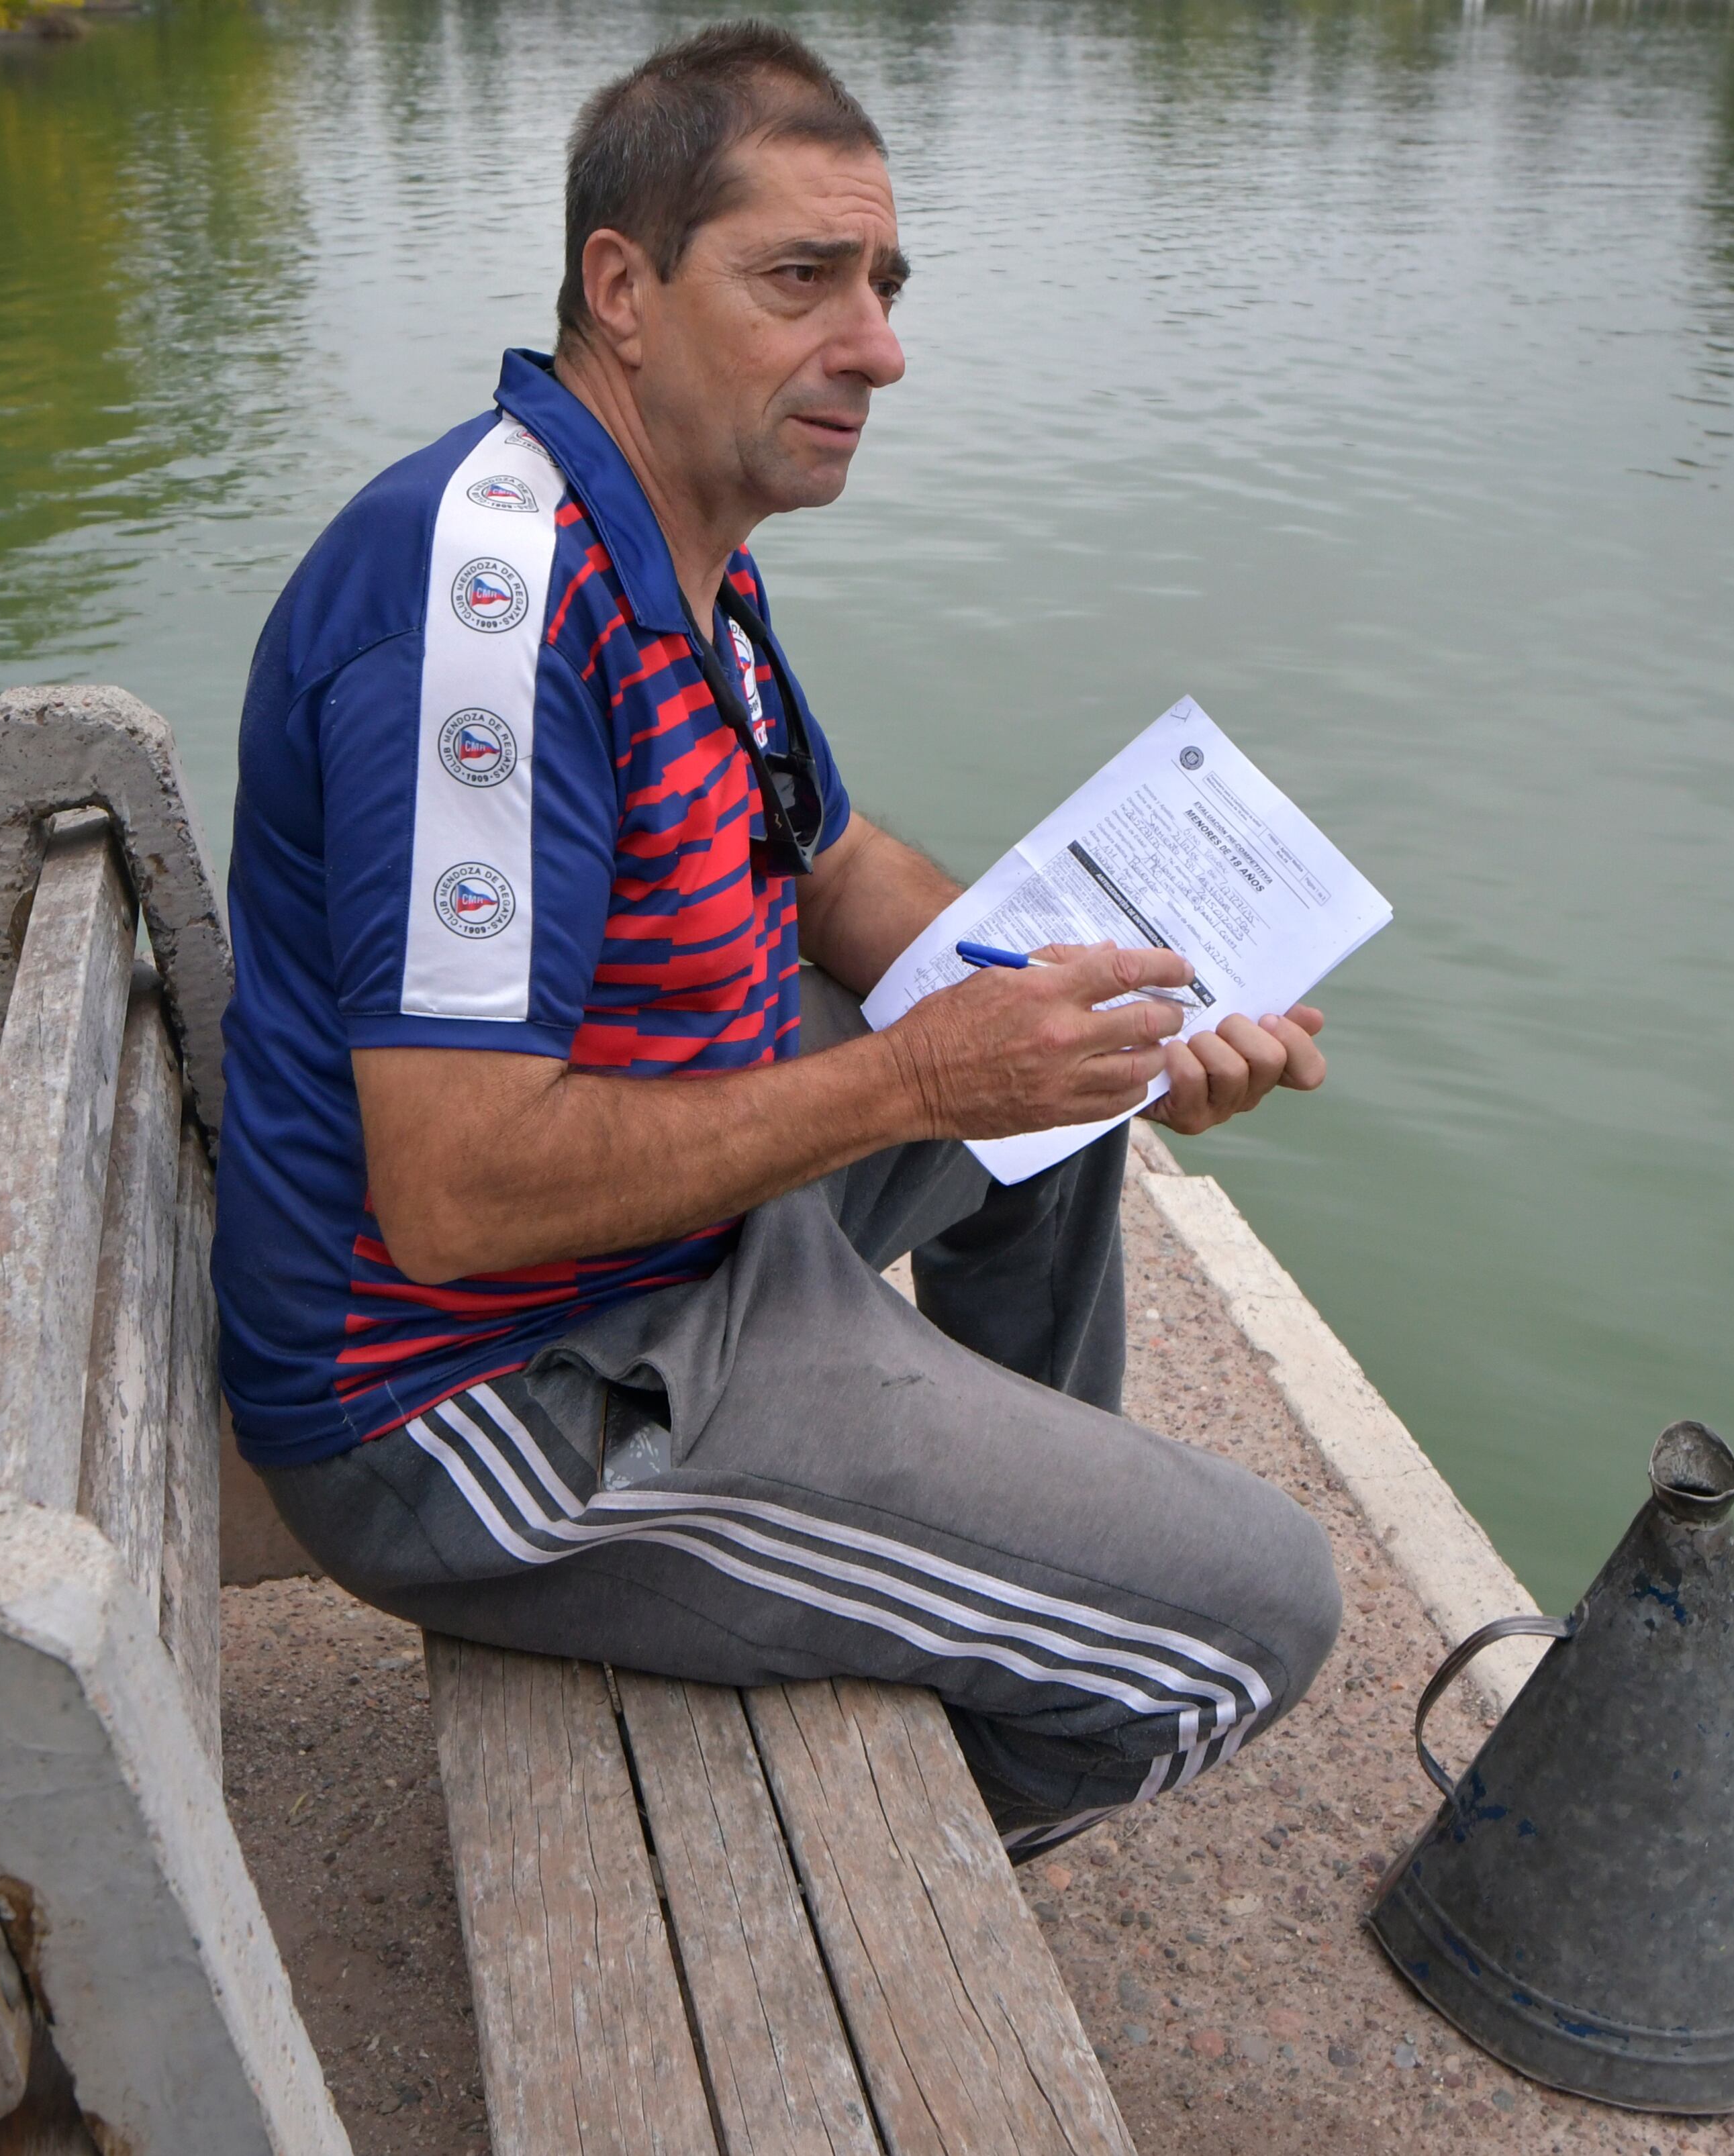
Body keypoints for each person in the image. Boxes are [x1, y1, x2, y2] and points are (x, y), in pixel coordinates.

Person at [213, 19, 1341, 1853]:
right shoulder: (483, 619)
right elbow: (456, 1193)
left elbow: (824, 862)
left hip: (656, 1245)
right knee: (1253, 1618)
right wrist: (913, 1072)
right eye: (801, 278)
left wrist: (1121, 1006)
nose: (878, 346)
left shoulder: (675, 542)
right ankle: (888, 1859)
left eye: (884, 285)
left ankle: (969, 1558)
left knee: (1033, 1082)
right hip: (483, 1389)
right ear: (625, 288)